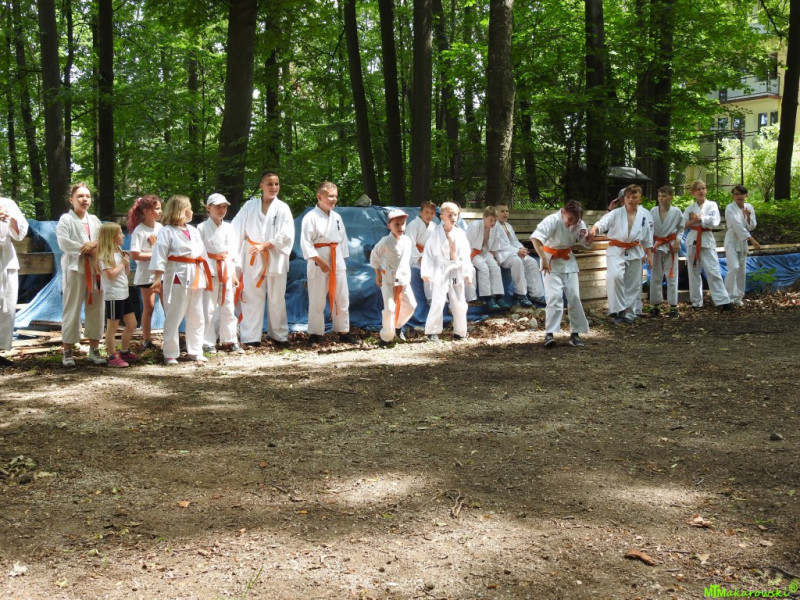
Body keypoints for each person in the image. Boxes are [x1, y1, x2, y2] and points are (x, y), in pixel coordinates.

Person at [231, 170, 295, 348]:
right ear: (261, 186)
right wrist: (234, 258)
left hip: (275, 257)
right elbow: (236, 229)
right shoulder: (249, 206)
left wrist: (266, 245)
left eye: (276, 184)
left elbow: (287, 234)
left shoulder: (283, 208)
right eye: (270, 184)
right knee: (251, 297)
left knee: (277, 298)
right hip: (252, 255)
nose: (274, 187)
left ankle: (279, 336)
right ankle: (250, 337)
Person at [150, 195, 213, 365]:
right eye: (189, 208)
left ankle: (196, 350)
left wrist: (209, 275)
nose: (191, 211)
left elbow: (202, 254)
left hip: (196, 274)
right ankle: (170, 353)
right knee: (174, 315)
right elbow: (159, 255)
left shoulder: (193, 231)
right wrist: (157, 278)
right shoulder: (166, 231)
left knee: (197, 315)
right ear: (181, 210)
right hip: (177, 275)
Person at [531, 199, 593, 348]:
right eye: (570, 219)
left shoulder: (579, 223)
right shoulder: (552, 220)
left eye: (576, 221)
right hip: (550, 261)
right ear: (563, 212)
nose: (572, 223)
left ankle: (575, 333)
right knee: (554, 297)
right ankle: (549, 333)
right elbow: (535, 238)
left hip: (568, 261)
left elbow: (585, 242)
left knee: (574, 296)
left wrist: (588, 239)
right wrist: (543, 258)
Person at [56, 183, 106, 367]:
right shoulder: (66, 219)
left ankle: (94, 350)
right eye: (80, 196)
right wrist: (87, 248)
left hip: (95, 268)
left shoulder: (95, 220)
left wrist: (94, 245)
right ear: (71, 199)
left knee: (96, 308)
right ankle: (68, 352)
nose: (84, 199)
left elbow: (104, 240)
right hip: (75, 268)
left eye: (87, 196)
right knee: (72, 308)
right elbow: (63, 243)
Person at [300, 181, 356, 344]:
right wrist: (319, 261)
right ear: (319, 197)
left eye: (335, 196)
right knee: (317, 299)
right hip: (318, 259)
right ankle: (315, 333)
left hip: (336, 258)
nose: (334, 199)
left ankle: (343, 331)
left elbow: (343, 241)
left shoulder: (337, 217)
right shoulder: (310, 217)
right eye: (330, 196)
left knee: (342, 297)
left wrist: (341, 261)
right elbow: (306, 243)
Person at [589, 184, 654, 324]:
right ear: (624, 199)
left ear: (639, 199)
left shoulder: (643, 216)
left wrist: (649, 255)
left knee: (633, 284)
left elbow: (647, 237)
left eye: (634, 197)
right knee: (615, 276)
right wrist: (594, 229)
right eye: (628, 197)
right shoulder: (616, 213)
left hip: (635, 250)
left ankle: (629, 314)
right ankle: (618, 310)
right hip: (616, 250)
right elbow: (602, 223)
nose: (631, 200)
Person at [421, 201, 473, 342]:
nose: (453, 217)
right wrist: (426, 272)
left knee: (459, 302)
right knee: (438, 301)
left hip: (456, 269)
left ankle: (460, 332)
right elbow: (428, 254)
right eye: (449, 215)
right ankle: (432, 332)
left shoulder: (460, 234)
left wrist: (467, 273)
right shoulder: (435, 234)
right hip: (441, 269)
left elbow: (465, 255)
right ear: (442, 216)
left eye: (455, 214)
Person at [198, 193, 244, 354]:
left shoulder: (229, 227)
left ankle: (230, 340)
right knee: (208, 307)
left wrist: (233, 273)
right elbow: (199, 252)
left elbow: (233, 252)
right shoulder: (201, 228)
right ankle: (207, 342)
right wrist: (204, 271)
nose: (221, 210)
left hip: (225, 267)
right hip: (208, 269)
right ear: (208, 207)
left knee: (228, 306)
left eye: (224, 207)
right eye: (218, 206)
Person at [683, 180, 733, 310]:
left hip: (706, 240)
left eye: (703, 188)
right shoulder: (689, 209)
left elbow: (714, 221)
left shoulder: (712, 205)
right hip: (692, 241)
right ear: (693, 192)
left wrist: (699, 218)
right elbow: (682, 225)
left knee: (713, 270)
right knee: (693, 272)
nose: (701, 191)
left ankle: (723, 301)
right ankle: (696, 302)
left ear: (706, 190)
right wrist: (693, 221)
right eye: (698, 189)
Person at [369, 209, 417, 346]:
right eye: (397, 224)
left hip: (403, 280)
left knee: (411, 305)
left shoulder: (407, 241)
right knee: (390, 308)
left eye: (403, 224)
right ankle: (385, 337)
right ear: (389, 225)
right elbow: (374, 257)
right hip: (388, 280)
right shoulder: (385, 242)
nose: (400, 227)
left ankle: (397, 326)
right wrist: (377, 274)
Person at [97, 222, 139, 368]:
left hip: (123, 293)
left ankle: (124, 351)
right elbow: (110, 275)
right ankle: (111, 356)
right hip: (114, 295)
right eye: (120, 233)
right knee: (112, 327)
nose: (123, 236)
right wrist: (122, 263)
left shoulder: (119, 251)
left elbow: (125, 273)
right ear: (112, 237)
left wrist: (126, 263)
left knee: (132, 324)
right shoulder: (105, 255)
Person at [494, 202, 546, 308]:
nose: (505, 213)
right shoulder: (494, 225)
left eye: (507, 211)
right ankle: (521, 294)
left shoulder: (508, 226)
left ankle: (537, 295)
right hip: (501, 254)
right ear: (496, 213)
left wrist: (521, 249)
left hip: (513, 252)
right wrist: (517, 251)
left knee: (531, 261)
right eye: (502, 211)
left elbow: (514, 241)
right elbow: (500, 245)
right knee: (517, 262)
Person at [127, 194, 163, 349]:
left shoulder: (161, 228)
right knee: (149, 307)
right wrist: (155, 255)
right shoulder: (139, 230)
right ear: (148, 210)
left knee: (168, 306)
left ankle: (171, 337)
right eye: (158, 208)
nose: (161, 211)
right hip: (146, 275)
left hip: (162, 274)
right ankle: (147, 339)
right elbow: (135, 254)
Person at [0, 193, 29, 367]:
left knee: (7, 306)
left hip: (6, 259)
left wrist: (11, 219)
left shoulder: (8, 204)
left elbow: (20, 235)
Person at [464, 206, 508, 311]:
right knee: (484, 268)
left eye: (495, 220)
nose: (493, 223)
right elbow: (466, 244)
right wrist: (467, 259)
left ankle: (499, 297)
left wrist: (494, 258)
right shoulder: (474, 226)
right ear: (484, 217)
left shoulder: (495, 227)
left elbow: (494, 245)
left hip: (485, 252)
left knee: (495, 268)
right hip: (472, 253)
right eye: (491, 220)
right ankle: (488, 298)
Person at [649, 186, 683, 317]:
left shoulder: (677, 212)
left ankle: (673, 306)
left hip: (671, 246)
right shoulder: (652, 211)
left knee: (671, 276)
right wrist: (649, 245)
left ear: (671, 197)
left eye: (664, 196)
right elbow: (648, 229)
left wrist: (678, 241)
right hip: (656, 245)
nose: (661, 198)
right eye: (659, 196)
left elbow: (681, 228)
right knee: (655, 276)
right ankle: (655, 305)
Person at [724, 185, 761, 306]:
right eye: (736, 194)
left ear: (746, 195)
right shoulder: (730, 208)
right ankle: (728, 296)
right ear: (733, 196)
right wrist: (752, 239)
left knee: (741, 270)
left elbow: (752, 226)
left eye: (741, 194)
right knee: (734, 267)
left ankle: (738, 297)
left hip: (743, 241)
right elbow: (737, 225)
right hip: (732, 239)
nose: (739, 196)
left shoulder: (749, 207)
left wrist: (748, 216)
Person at [405, 201, 437, 304]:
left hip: (428, 255)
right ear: (421, 213)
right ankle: (430, 298)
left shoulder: (434, 226)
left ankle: (441, 296)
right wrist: (419, 258)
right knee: (428, 268)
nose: (429, 215)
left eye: (431, 213)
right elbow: (409, 243)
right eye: (426, 212)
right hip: (414, 258)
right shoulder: (413, 225)